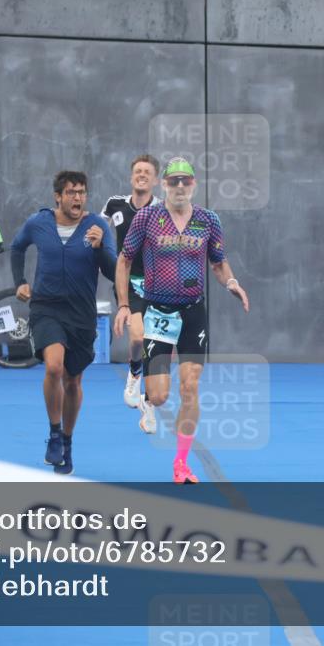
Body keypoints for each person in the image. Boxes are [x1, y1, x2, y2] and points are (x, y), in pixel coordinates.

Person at [114, 157, 249, 484]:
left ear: (193, 185)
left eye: (184, 182)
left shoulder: (207, 220)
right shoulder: (147, 217)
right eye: (172, 181)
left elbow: (218, 263)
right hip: (158, 311)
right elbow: (124, 260)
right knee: (159, 396)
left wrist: (231, 282)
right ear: (164, 185)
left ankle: (181, 464)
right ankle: (145, 383)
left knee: (190, 387)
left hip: (192, 312)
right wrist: (123, 304)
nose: (178, 187)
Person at [10, 171, 116, 475]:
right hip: (47, 307)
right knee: (54, 367)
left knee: (73, 381)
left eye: (82, 192)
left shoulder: (97, 226)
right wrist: (20, 282)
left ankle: (67, 443)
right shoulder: (38, 223)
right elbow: (17, 248)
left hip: (81, 314)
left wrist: (100, 249)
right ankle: (54, 433)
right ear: (58, 196)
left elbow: (111, 270)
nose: (78, 198)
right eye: (71, 192)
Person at [101, 154, 162, 433]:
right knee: (137, 336)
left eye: (147, 172)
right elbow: (97, 231)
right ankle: (135, 370)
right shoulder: (115, 204)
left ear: (156, 180)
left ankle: (149, 407)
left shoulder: (163, 209)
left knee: (155, 345)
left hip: (159, 284)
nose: (142, 175)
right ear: (131, 177)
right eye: (137, 171)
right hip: (128, 281)